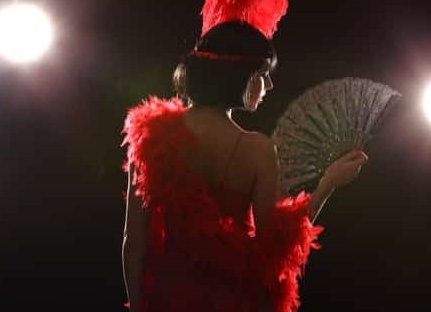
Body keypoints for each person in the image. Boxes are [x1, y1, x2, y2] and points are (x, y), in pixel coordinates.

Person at [121, 21, 368, 312]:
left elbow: (132, 241)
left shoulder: (151, 136)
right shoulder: (257, 150)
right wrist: (328, 183)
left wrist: (138, 307)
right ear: (241, 76)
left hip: (169, 299)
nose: (269, 85)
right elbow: (275, 249)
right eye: (264, 74)